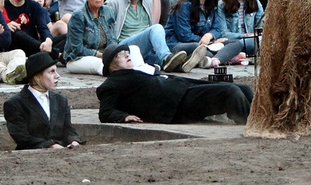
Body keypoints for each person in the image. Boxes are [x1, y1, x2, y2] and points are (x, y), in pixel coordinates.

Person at [97, 44, 253, 125]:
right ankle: (249, 125)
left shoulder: (137, 70)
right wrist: (124, 117)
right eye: (120, 55)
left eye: (126, 52)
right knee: (230, 92)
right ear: (111, 65)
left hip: (182, 87)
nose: (127, 55)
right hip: (176, 105)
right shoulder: (111, 84)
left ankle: (264, 118)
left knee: (243, 88)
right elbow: (105, 112)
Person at [3, 51, 83, 150]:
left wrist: (74, 141)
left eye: (56, 71)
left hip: (63, 155)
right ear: (37, 77)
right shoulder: (15, 104)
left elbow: (68, 129)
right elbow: (21, 136)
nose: (57, 76)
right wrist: (50, 145)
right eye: (51, 72)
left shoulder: (61, 100)